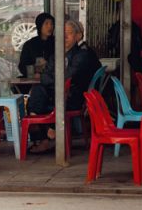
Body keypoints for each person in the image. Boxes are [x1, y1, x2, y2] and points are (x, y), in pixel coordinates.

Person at [25, 19, 102, 153]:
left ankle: (39, 128)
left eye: (69, 33)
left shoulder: (82, 55)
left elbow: (67, 77)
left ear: (78, 36)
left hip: (72, 97)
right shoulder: (56, 55)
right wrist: (53, 79)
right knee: (38, 90)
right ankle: (44, 128)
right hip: (56, 94)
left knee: (40, 98)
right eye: (62, 34)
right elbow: (45, 76)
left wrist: (52, 79)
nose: (65, 37)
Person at [18, 12, 55, 77]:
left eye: (52, 24)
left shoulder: (57, 43)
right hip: (34, 80)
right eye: (46, 24)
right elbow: (22, 66)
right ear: (40, 25)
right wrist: (34, 69)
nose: (50, 27)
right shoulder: (30, 44)